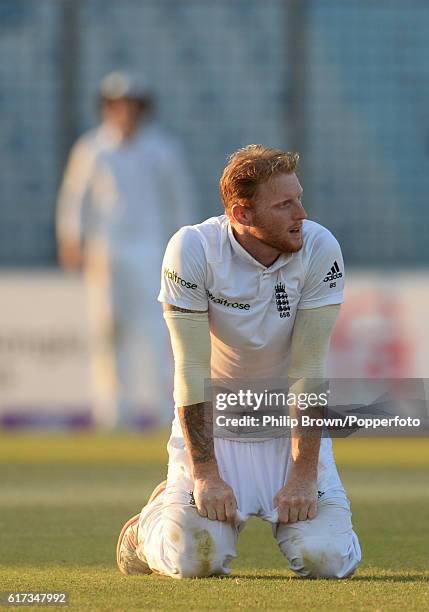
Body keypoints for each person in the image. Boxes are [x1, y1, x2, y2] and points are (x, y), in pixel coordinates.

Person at [116, 144, 361, 578]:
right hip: (218, 432)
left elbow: (310, 370)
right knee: (195, 559)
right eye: (284, 204)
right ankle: (145, 529)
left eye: (299, 198)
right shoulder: (192, 248)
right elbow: (190, 368)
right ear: (242, 214)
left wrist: (304, 476)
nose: (301, 213)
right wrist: (205, 474)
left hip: (287, 433)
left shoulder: (320, 247)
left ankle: (317, 514)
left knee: (327, 560)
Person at [56, 71, 197, 428]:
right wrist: (72, 237)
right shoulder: (93, 147)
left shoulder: (162, 149)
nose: (126, 112)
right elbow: (76, 198)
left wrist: (186, 248)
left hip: (151, 251)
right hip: (107, 249)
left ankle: (166, 409)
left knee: (156, 328)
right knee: (106, 328)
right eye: (119, 104)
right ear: (108, 107)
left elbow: (180, 202)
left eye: (132, 105)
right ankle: (111, 410)